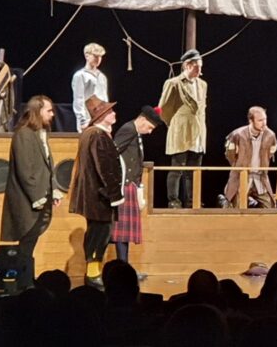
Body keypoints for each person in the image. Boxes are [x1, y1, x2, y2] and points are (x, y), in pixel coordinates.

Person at [0, 94, 62, 290]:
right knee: (25, 243)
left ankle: (26, 281)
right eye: (49, 110)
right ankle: (22, 284)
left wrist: (54, 191)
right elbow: (25, 170)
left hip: (41, 197)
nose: (52, 114)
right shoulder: (24, 134)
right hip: (27, 201)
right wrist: (38, 197)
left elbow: (46, 167)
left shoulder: (39, 134)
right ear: (37, 111)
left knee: (28, 243)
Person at [69, 95, 124, 288]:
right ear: (102, 116)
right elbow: (104, 167)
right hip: (99, 197)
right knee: (99, 235)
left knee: (98, 234)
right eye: (110, 111)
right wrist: (114, 195)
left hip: (96, 195)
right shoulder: (97, 135)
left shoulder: (91, 133)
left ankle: (94, 273)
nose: (114, 113)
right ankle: (93, 275)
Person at [110, 105, 165, 276]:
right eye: (149, 127)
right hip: (123, 185)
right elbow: (112, 153)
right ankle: (121, 271)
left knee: (125, 234)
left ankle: (124, 269)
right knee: (120, 233)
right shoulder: (128, 129)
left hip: (131, 185)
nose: (150, 132)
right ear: (142, 119)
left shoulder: (135, 133)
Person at [159, 49, 208, 208]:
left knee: (193, 170)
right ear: (187, 65)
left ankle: (192, 200)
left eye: (200, 66)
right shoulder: (174, 83)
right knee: (177, 168)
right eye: (196, 67)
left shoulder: (202, 84)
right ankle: (173, 201)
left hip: (198, 132)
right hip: (181, 130)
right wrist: (174, 125)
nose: (199, 70)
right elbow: (163, 108)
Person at [219, 106, 277, 209]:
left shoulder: (270, 136)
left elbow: (271, 152)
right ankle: (224, 201)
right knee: (236, 208)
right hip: (242, 177)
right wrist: (238, 166)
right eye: (260, 120)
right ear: (251, 121)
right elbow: (230, 155)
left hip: (260, 178)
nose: (264, 123)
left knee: (269, 208)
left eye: (265, 119)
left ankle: (250, 202)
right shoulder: (237, 135)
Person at [72, 42, 109, 131]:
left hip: (101, 119)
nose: (98, 59)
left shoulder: (102, 76)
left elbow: (105, 98)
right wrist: (82, 121)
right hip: (87, 119)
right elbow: (78, 99)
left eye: (100, 56)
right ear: (87, 56)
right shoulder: (80, 75)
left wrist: (107, 117)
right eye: (95, 56)